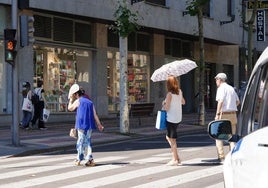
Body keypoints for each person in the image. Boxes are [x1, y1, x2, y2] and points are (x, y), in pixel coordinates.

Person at [68, 84, 104, 167]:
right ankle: (87, 159)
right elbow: (95, 115)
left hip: (81, 124)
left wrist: (70, 100)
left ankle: (81, 158)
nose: (75, 96)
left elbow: (70, 108)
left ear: (77, 94)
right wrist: (99, 124)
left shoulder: (78, 101)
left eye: (74, 95)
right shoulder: (90, 102)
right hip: (90, 124)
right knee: (87, 141)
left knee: (80, 141)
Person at [214, 73, 240, 162]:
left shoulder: (221, 88)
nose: (216, 81)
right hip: (233, 114)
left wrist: (217, 114)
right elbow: (238, 101)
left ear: (220, 79)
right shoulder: (231, 88)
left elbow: (220, 101)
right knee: (231, 136)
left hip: (224, 114)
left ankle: (221, 157)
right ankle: (232, 155)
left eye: (216, 79)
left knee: (218, 136)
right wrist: (231, 106)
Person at [162, 76, 185, 166]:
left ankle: (175, 159)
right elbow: (183, 102)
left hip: (171, 118)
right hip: (178, 117)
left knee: (172, 139)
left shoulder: (169, 94)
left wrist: (164, 104)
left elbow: (166, 108)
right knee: (169, 137)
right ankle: (177, 157)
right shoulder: (179, 91)